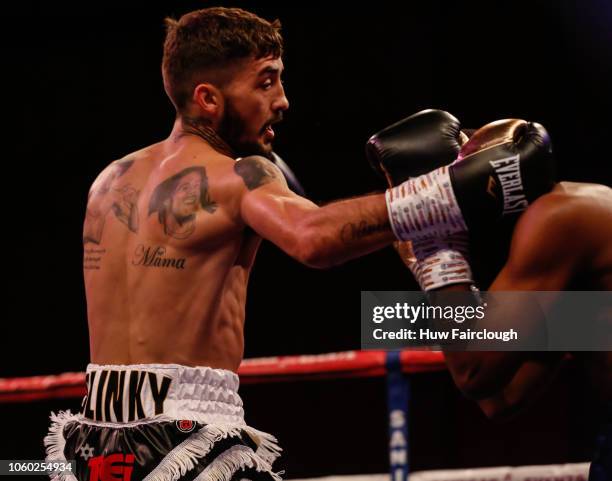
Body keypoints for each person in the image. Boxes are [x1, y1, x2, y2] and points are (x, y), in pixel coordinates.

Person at [44, 7, 553, 480]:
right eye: (266, 82)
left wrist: (429, 241)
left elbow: (483, 382)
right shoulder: (239, 175)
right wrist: (447, 191)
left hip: (92, 442)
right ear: (208, 98)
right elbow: (315, 239)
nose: (283, 101)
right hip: (188, 428)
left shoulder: (110, 180)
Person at [368, 113, 612, 480]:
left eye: (441, 191)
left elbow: (473, 371)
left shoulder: (562, 217)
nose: (436, 203)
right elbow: (500, 398)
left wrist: (436, 250)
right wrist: (429, 268)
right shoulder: (566, 257)